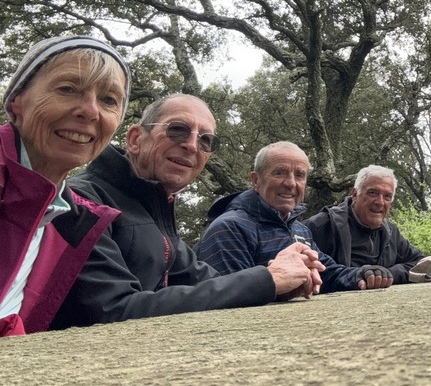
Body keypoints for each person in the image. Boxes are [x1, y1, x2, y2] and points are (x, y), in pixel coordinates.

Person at [49, 94, 326, 329]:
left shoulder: (154, 208)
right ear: (135, 139)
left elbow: (209, 281)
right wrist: (268, 280)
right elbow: (113, 310)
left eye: (205, 140)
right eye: (178, 130)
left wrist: (280, 280)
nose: (192, 145)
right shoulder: (82, 200)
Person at [0, 36, 129, 335]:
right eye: (67, 89)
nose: (91, 111)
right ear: (17, 101)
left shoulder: (72, 221)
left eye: (109, 100)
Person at [198, 141, 393, 291]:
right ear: (256, 180)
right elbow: (229, 297)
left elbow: (327, 272)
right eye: (280, 173)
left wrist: (361, 274)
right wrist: (279, 287)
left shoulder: (299, 229)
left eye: (299, 175)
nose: (291, 183)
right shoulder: (229, 229)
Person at [304, 164, 427, 284]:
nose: (380, 202)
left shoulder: (391, 232)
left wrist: (388, 274)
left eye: (387, 196)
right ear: (355, 194)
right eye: (373, 193)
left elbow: (422, 264)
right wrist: (360, 277)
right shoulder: (321, 227)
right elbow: (305, 272)